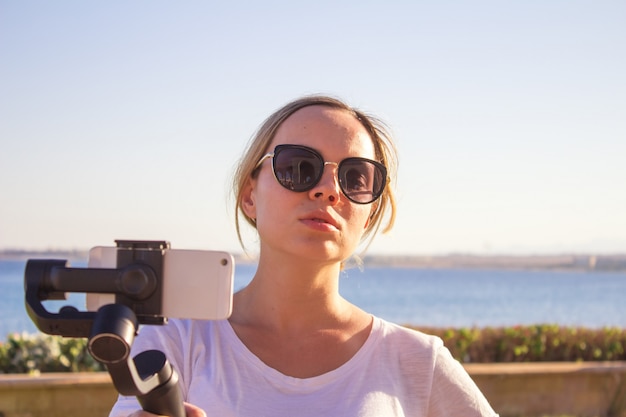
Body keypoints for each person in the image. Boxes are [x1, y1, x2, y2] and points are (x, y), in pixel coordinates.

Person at [110, 95, 498, 417]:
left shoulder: (418, 362)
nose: (329, 190)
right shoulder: (176, 341)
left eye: (355, 178)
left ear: (369, 215)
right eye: (299, 167)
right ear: (250, 195)